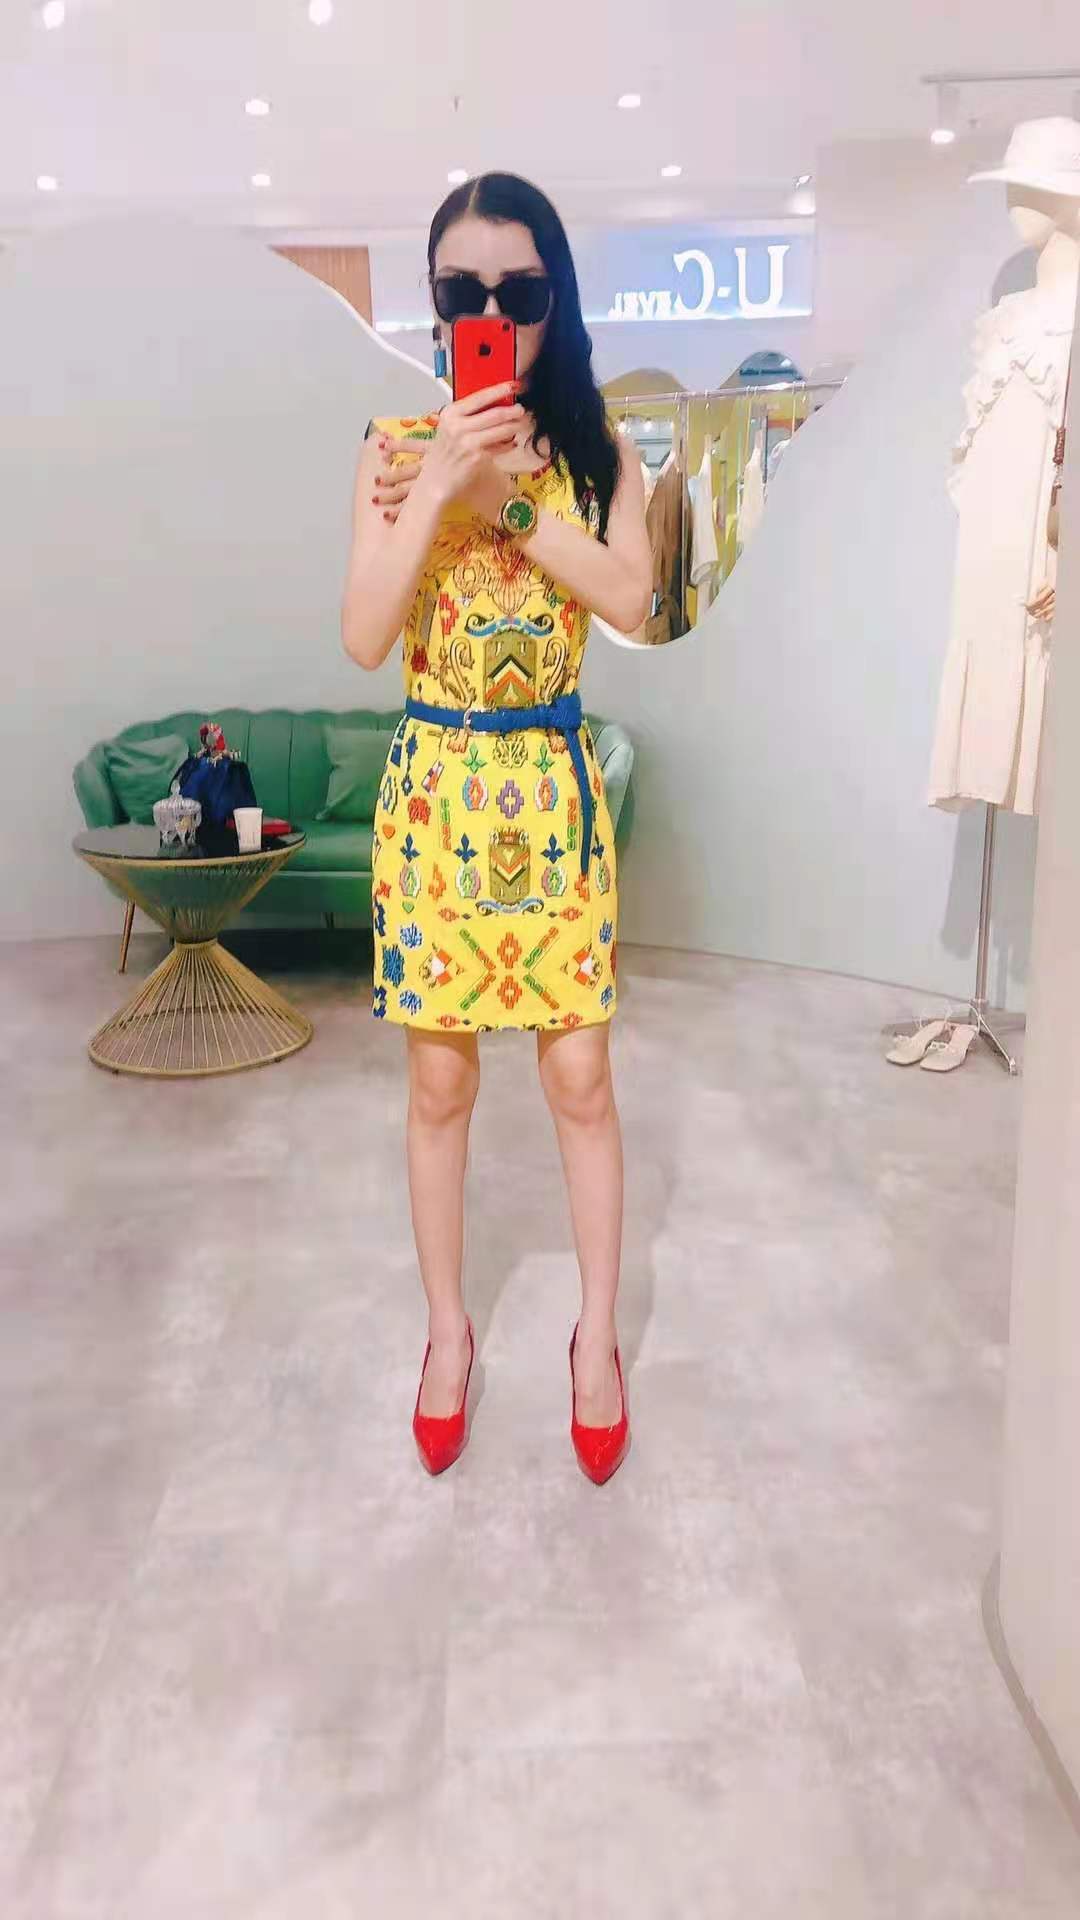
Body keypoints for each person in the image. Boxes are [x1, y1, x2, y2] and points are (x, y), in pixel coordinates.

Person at [341, 172, 651, 1483]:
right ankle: (447, 1334)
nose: (491, 315)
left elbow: (630, 600)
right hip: (435, 803)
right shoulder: (392, 448)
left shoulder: (600, 454)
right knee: (440, 1086)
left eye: (518, 290)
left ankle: (597, 1339)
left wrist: (509, 503)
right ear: (433, 305)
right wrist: (438, 487)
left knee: (581, 1082)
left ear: (554, 299)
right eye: (461, 291)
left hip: (552, 797)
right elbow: (365, 636)